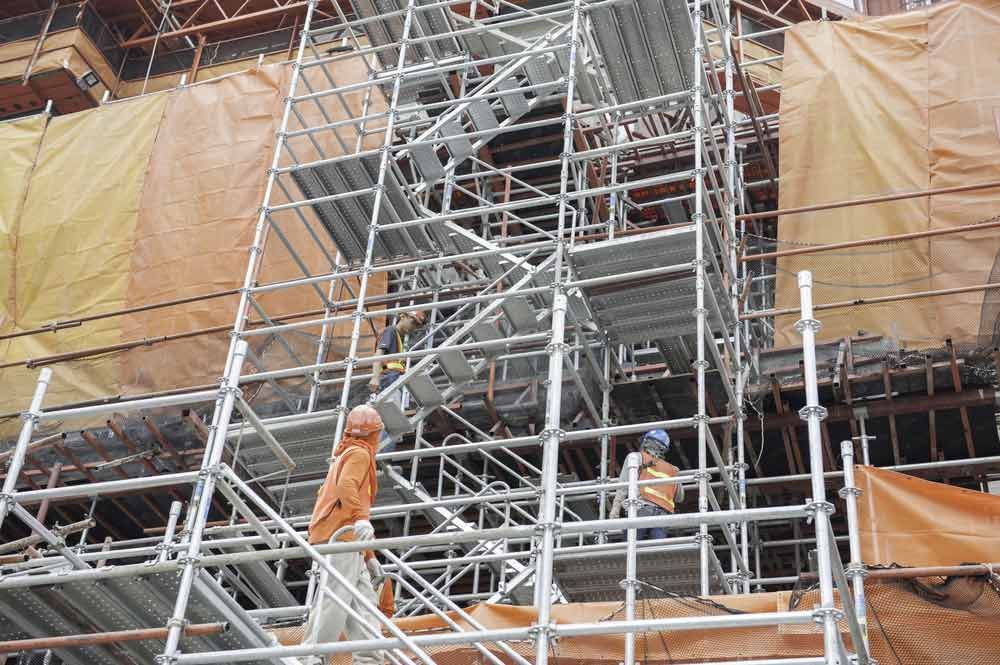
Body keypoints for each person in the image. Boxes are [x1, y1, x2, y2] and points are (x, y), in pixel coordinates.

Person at [299, 404, 387, 665]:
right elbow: (346, 486)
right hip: (341, 537)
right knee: (335, 597)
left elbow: (348, 498)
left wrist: (369, 556)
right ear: (374, 433)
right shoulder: (359, 454)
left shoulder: (347, 453)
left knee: (363, 602)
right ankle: (311, 656)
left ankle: (369, 658)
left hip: (346, 539)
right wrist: (361, 519)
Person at [608, 429, 685, 541]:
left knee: (630, 548)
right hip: (663, 515)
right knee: (655, 553)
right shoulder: (672, 469)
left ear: (646, 442)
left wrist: (615, 509)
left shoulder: (636, 457)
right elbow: (680, 497)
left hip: (640, 509)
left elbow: (623, 486)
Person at [368, 311, 427, 397]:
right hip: (388, 377)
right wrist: (375, 378)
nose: (413, 327)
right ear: (402, 316)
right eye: (412, 322)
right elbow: (379, 353)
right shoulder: (390, 330)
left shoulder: (398, 337)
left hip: (393, 376)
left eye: (417, 325)